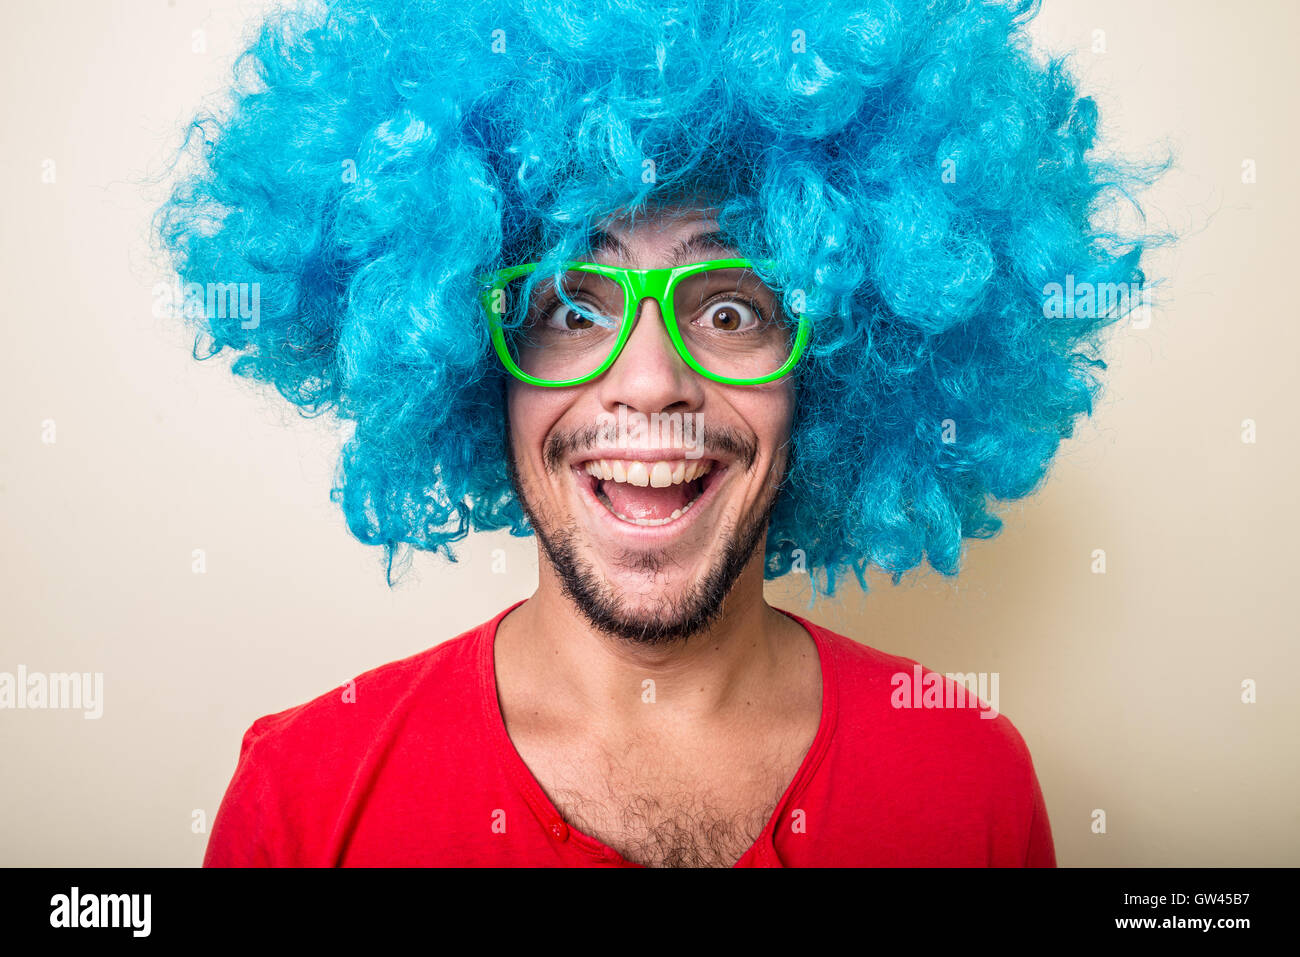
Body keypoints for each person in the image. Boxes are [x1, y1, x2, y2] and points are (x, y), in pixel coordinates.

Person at [156, 0, 1160, 867]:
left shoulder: (966, 783)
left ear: (842, 362)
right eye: (570, 309)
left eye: (728, 310)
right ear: (461, 355)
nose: (648, 383)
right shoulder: (306, 797)